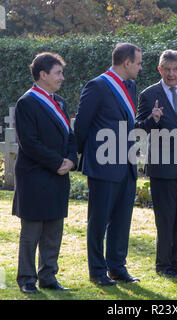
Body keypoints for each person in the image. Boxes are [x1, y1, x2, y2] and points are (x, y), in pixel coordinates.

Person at [74, 43, 143, 286]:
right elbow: (81, 126)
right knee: (99, 221)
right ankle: (97, 271)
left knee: (122, 220)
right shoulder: (97, 86)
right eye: (138, 63)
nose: (140, 67)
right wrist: (77, 157)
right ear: (126, 63)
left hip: (127, 164)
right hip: (103, 165)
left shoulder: (131, 86)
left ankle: (117, 267)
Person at [13, 52, 77, 294]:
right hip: (34, 177)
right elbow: (29, 142)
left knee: (53, 230)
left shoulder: (60, 102)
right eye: (58, 72)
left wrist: (70, 159)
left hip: (58, 175)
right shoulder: (27, 102)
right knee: (31, 232)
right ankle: (27, 279)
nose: (62, 77)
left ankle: (48, 276)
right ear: (43, 75)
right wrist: (57, 162)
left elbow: (71, 136)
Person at [136, 50, 177, 278]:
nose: (171, 74)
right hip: (162, 166)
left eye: (175, 69)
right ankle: (163, 266)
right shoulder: (149, 94)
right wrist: (152, 119)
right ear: (159, 70)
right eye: (166, 69)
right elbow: (137, 128)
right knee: (165, 217)